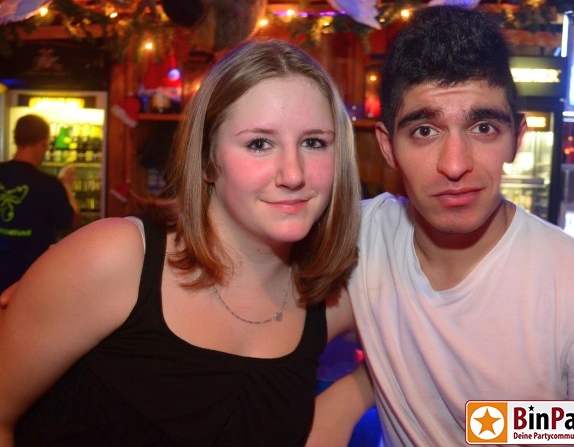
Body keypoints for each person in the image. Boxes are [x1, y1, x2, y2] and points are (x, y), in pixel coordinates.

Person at [312, 5, 574, 446]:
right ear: (387, 146)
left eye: (483, 127)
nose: (454, 165)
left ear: (516, 138)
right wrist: (348, 396)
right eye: (424, 131)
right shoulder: (363, 238)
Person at [0, 39, 361, 446]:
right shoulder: (116, 259)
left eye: (314, 142)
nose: (293, 174)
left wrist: (352, 396)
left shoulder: (332, 299)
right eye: (259, 144)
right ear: (207, 161)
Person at [0, 114, 80, 293]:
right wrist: (67, 185)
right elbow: (72, 221)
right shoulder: (48, 184)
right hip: (31, 277)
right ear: (44, 142)